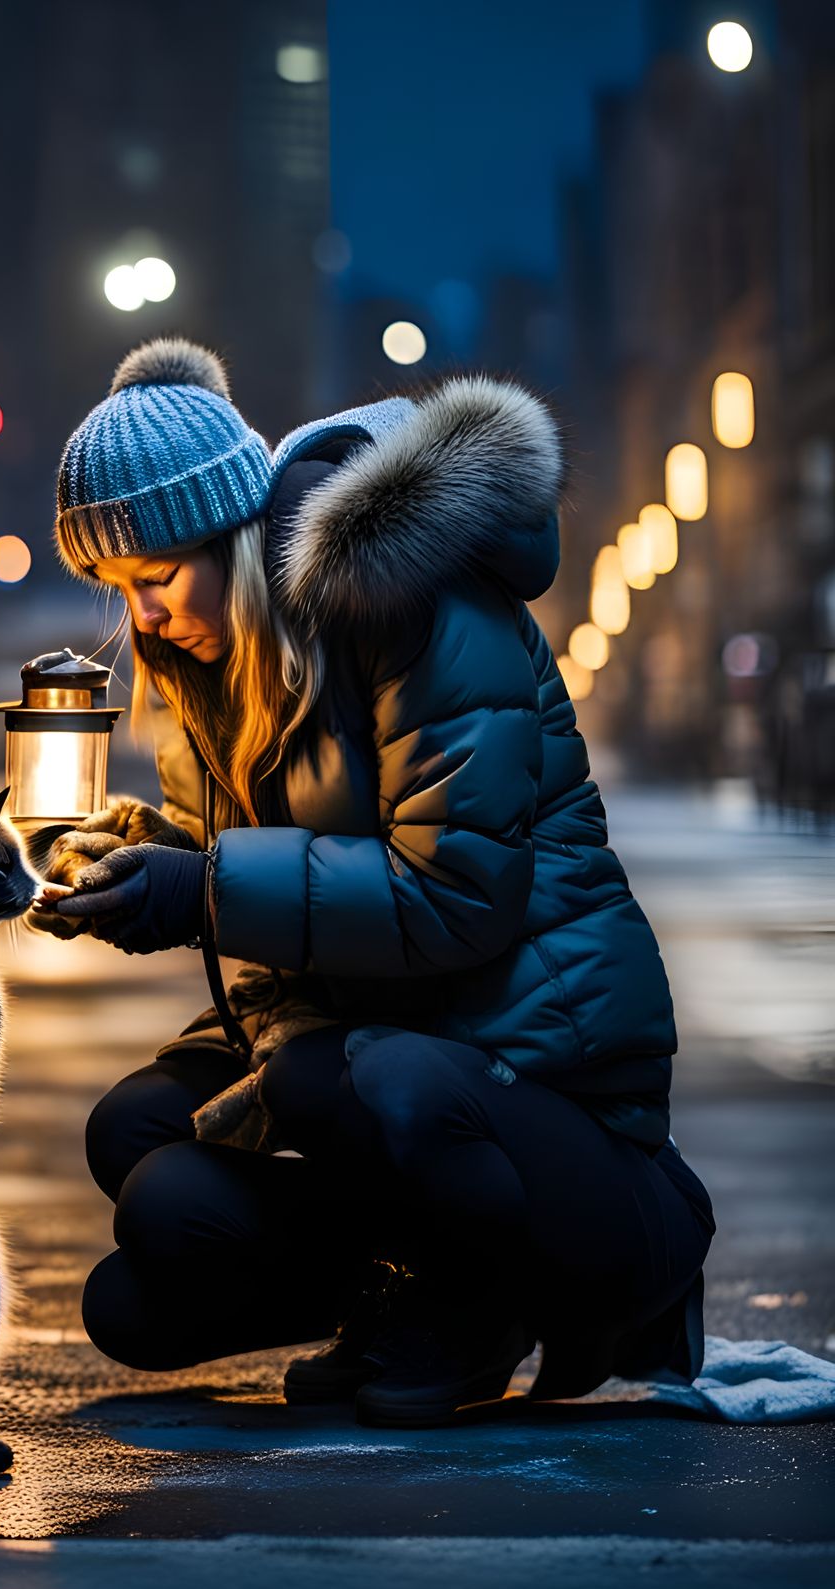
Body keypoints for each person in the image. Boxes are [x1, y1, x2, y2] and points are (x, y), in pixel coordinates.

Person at [38, 337, 714, 1426]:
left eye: (154, 580)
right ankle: (402, 1297)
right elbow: (276, 856)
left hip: (559, 1112)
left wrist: (199, 888)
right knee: (137, 1171)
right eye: (121, 593)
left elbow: (456, 894)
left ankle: (500, 1306)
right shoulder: (216, 665)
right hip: (381, 1043)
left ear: (236, 543)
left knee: (329, 1083)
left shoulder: (415, 605)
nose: (145, 620)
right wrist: (132, 864)